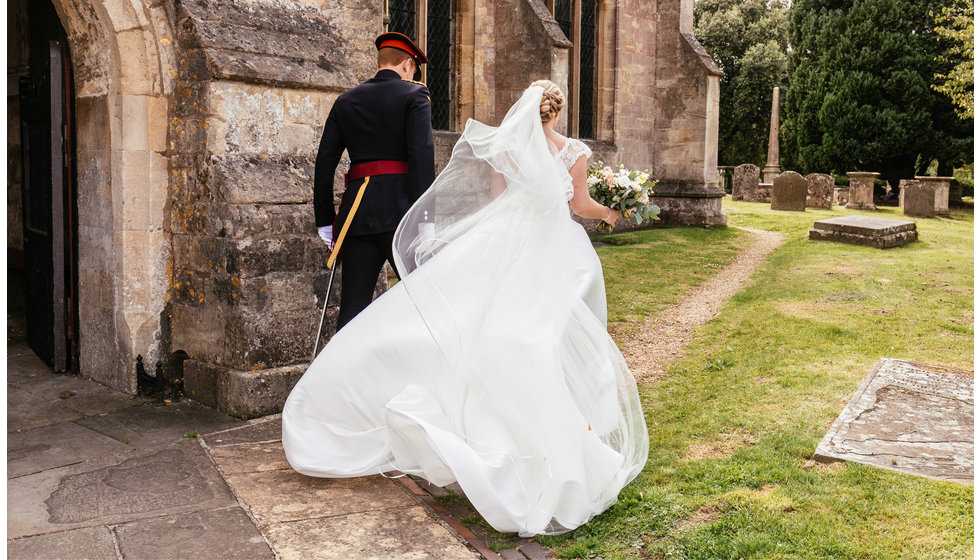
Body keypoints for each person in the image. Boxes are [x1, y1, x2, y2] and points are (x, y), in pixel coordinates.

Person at [284, 81, 648, 537]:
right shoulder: (574, 151)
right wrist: (613, 212)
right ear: (557, 112)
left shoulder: (506, 148)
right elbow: (578, 204)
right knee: (550, 329)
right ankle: (565, 414)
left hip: (507, 241)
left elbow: (498, 201)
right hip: (554, 248)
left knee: (487, 323)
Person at [313, 32, 436, 330]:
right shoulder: (415, 95)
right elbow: (421, 157)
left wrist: (326, 221)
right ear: (407, 64)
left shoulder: (346, 101)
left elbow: (325, 163)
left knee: (352, 313)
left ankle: (341, 376)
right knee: (423, 304)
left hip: (356, 215)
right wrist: (425, 218)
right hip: (402, 216)